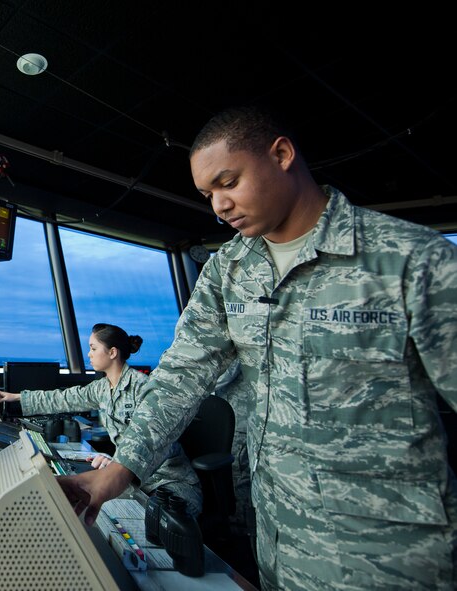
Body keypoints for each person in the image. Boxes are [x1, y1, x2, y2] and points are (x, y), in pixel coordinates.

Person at [56, 106, 457, 590]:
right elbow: (180, 378)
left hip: (388, 559)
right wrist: (118, 471)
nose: (218, 206)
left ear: (282, 155)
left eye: (228, 182)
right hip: (277, 543)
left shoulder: (411, 258)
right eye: (208, 195)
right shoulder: (229, 271)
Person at [0, 322, 203, 517]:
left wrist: (120, 463)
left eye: (93, 348)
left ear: (112, 352)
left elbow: (158, 440)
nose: (88, 354)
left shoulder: (144, 388)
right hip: (132, 481)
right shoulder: (102, 388)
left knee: (146, 524)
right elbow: (63, 398)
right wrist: (16, 397)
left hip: (169, 483)